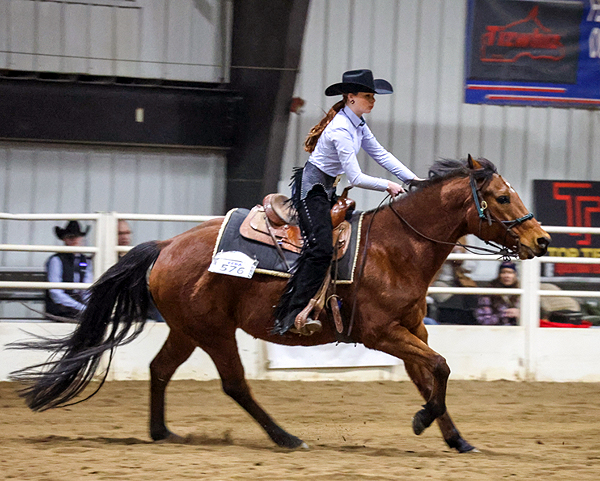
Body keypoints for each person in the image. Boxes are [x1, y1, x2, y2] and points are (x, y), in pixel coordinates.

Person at [274, 69, 422, 335]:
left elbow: (381, 154)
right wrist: (388, 184)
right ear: (350, 97)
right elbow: (355, 177)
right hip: (311, 192)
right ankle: (290, 314)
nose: (373, 101)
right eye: (368, 96)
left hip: (328, 190)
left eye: (373, 97)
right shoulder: (341, 129)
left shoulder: (357, 123)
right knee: (320, 248)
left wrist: (413, 180)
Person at [45, 220, 93, 319]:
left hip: (78, 305)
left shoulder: (86, 260)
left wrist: (90, 307)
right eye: (70, 237)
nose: (74, 239)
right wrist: (82, 308)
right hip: (61, 308)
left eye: (77, 236)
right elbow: (56, 293)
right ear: (64, 239)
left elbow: (86, 290)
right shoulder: (56, 260)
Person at [430, 241, 479, 325]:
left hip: (460, 280)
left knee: (472, 296)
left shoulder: (463, 242)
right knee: (451, 300)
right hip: (439, 280)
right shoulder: (434, 244)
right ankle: (449, 323)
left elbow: (471, 268)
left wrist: (460, 255)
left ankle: (470, 323)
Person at [475, 261, 520, 326]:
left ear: (515, 275)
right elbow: (483, 319)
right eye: (503, 272)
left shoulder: (522, 291)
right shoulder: (489, 292)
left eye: (510, 272)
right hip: (496, 330)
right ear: (499, 275)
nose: (506, 276)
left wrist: (520, 314)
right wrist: (505, 314)